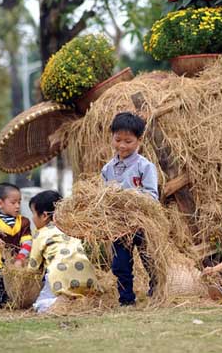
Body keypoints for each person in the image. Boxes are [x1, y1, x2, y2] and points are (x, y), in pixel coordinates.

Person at [101, 112, 159, 306]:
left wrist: (129, 196)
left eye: (128, 141)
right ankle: (126, 300)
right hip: (119, 226)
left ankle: (157, 290)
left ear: (139, 141)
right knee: (120, 264)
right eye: (118, 140)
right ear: (112, 138)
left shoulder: (145, 167)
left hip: (141, 222)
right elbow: (102, 197)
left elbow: (152, 195)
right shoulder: (107, 169)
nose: (122, 146)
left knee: (149, 258)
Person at [27, 190, 96, 313]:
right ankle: (78, 301)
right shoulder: (70, 228)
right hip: (88, 278)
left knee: (39, 306)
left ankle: (61, 302)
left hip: (60, 277)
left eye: (33, 213)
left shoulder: (41, 234)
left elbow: (33, 267)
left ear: (44, 216)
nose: (32, 218)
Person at [0, 183, 32, 266]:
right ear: (0, 203)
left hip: (21, 265)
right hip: (1, 267)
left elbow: (27, 243)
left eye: (19, 202)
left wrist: (20, 259)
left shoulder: (24, 222)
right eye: (13, 203)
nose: (17, 206)